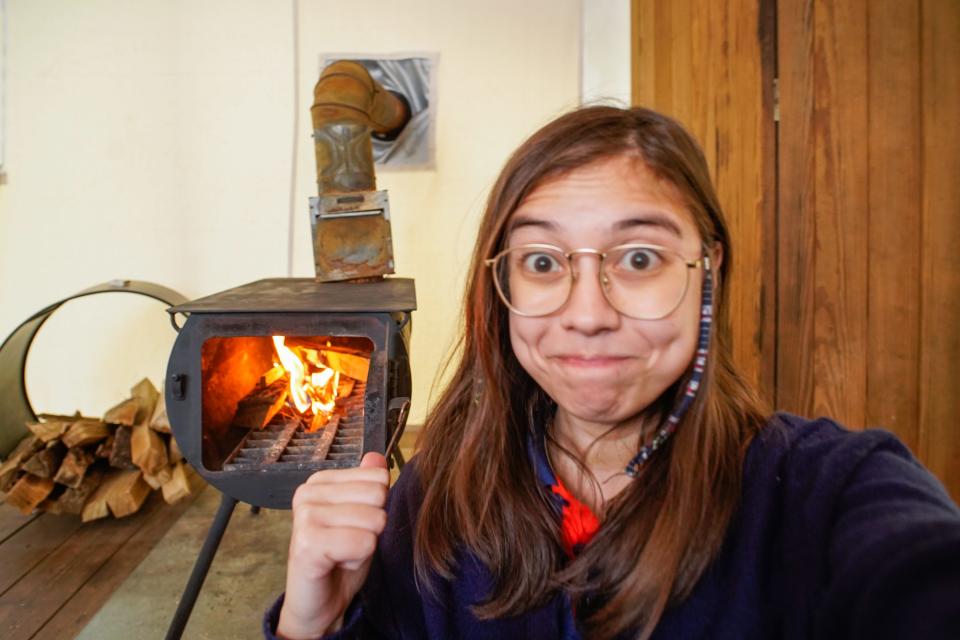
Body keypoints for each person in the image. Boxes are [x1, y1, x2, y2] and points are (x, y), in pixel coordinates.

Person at [265, 106, 960, 640]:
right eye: (543, 262)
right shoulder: (435, 493)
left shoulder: (826, 490)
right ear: (500, 285)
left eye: (638, 259)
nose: (588, 314)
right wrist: (311, 624)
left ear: (707, 270)